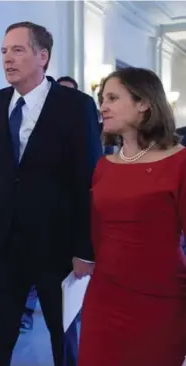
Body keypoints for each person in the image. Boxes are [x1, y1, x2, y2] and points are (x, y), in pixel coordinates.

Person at [0, 21, 102, 366]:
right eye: (3, 51)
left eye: (17, 50)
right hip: (4, 242)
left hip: (56, 245)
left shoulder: (76, 105)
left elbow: (87, 180)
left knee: (64, 336)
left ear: (42, 56)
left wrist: (85, 249)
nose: (7, 59)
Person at [78, 67, 186, 366]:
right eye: (102, 98)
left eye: (112, 97)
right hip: (105, 297)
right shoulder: (104, 166)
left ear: (144, 103)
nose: (103, 106)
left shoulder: (180, 163)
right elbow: (96, 232)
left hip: (160, 300)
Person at [21, 75, 80, 331]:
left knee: (60, 309)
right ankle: (26, 311)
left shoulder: (82, 120)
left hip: (61, 225)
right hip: (29, 221)